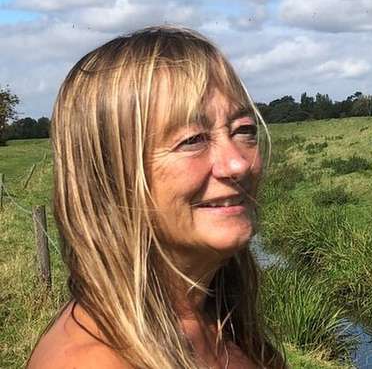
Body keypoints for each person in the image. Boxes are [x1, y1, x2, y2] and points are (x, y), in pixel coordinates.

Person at [27, 26, 285, 368]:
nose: (238, 163)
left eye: (243, 130)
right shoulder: (90, 361)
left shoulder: (218, 318)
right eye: (193, 140)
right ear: (109, 177)